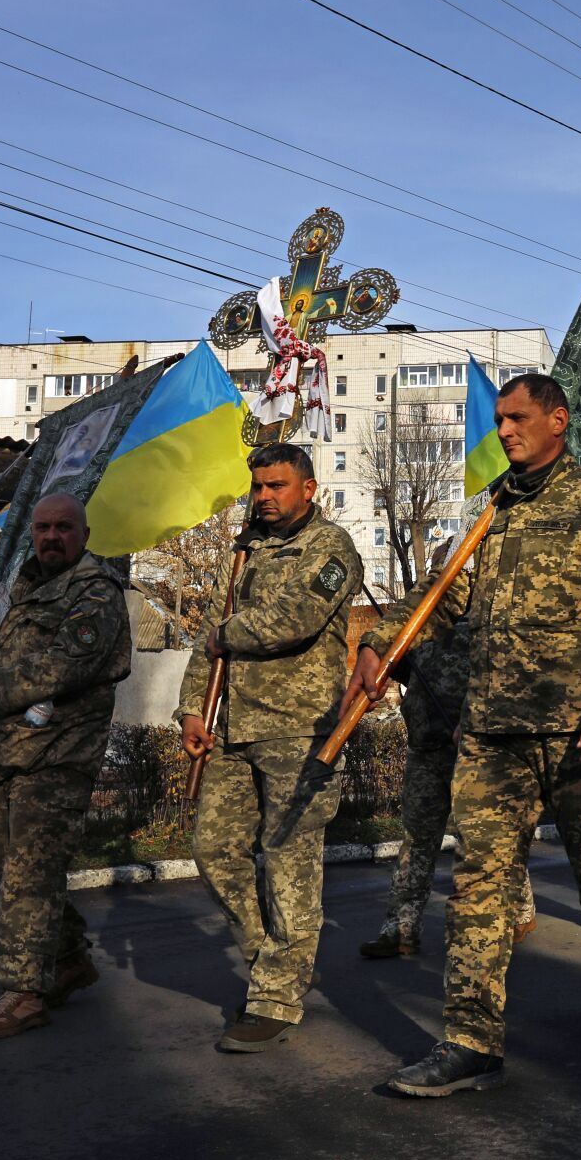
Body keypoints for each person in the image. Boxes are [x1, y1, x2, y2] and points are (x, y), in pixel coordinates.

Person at [345, 374, 581, 1097]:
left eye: (518, 418)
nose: (506, 431)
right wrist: (381, 643)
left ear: (558, 419)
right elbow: (441, 597)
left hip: (579, 729)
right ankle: (471, 1037)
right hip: (492, 731)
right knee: (479, 886)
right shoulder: (491, 512)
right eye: (500, 421)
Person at [178, 443, 363, 1053]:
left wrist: (220, 635)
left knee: (288, 866)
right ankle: (271, 960)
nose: (263, 497)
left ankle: (277, 997)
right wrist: (190, 709)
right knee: (214, 850)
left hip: (297, 729)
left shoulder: (330, 549)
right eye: (257, 487)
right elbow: (209, 641)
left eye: (276, 486)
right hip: (233, 728)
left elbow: (292, 621)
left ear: (307, 489)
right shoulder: (242, 553)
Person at [0, 493, 132, 1041]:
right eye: (43, 527)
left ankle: (22, 992)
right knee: (15, 866)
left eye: (63, 528)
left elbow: (63, 667)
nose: (52, 536)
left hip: (57, 754)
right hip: (5, 751)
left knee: (29, 870)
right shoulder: (19, 587)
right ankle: (70, 956)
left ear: (84, 532)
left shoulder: (96, 592)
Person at [358, 546, 537, 961]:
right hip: (427, 742)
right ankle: (399, 928)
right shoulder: (420, 622)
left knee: (484, 837)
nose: (440, 581)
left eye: (448, 573)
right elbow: (403, 670)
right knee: (417, 838)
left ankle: (518, 910)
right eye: (437, 573)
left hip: (472, 744)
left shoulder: (488, 619)